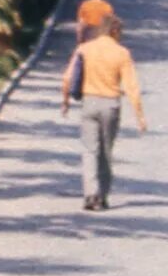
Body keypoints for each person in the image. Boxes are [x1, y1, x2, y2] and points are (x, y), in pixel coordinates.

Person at [59, 17, 146, 210]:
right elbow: (132, 87)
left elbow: (67, 78)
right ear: (116, 32)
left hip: (89, 103)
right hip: (111, 105)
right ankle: (102, 196)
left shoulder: (84, 49)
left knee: (90, 150)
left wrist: (65, 102)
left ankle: (90, 193)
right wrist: (140, 116)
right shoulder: (121, 53)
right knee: (106, 152)